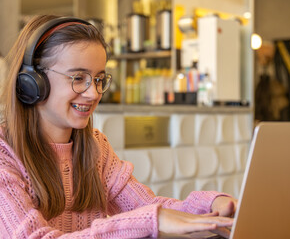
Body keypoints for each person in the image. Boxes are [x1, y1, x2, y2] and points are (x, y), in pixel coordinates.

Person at [0, 15, 237, 238]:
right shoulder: (4, 155)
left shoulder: (95, 148)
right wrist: (147, 220)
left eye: (99, 79)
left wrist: (211, 205)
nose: (93, 93)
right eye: (78, 78)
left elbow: (148, 207)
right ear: (31, 82)